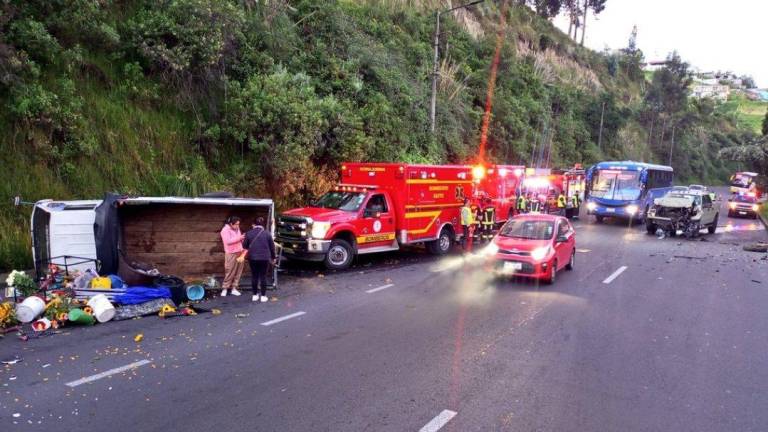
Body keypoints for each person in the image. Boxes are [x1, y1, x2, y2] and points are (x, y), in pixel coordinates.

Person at [240, 217, 277, 303]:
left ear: (254, 224)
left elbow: (244, 246)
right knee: (263, 276)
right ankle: (263, 296)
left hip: (253, 258)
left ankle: (254, 295)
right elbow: (272, 247)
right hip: (264, 258)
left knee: (254, 276)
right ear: (262, 225)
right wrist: (273, 257)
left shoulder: (249, 233)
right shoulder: (267, 234)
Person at [219, 216, 245, 297]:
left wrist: (242, 239)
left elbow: (238, 239)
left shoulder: (237, 228)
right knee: (229, 271)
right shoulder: (225, 230)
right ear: (231, 224)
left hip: (239, 252)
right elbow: (228, 241)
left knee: (238, 271)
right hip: (231, 253)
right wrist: (240, 237)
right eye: (236, 224)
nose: (238, 226)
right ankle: (225, 288)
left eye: (238, 224)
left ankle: (234, 288)